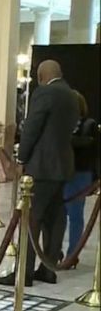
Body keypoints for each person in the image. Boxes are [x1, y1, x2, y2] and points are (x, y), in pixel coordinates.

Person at [0, 60, 77, 287]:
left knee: (31, 218)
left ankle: (24, 272)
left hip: (42, 167)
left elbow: (32, 127)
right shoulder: (71, 95)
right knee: (55, 219)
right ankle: (48, 269)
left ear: (41, 76)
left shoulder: (45, 93)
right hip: (62, 166)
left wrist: (21, 159)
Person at [63, 90, 99, 266]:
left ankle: (73, 254)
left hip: (80, 173)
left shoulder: (89, 125)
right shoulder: (62, 123)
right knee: (60, 214)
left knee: (75, 214)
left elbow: (93, 150)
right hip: (63, 173)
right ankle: (55, 251)